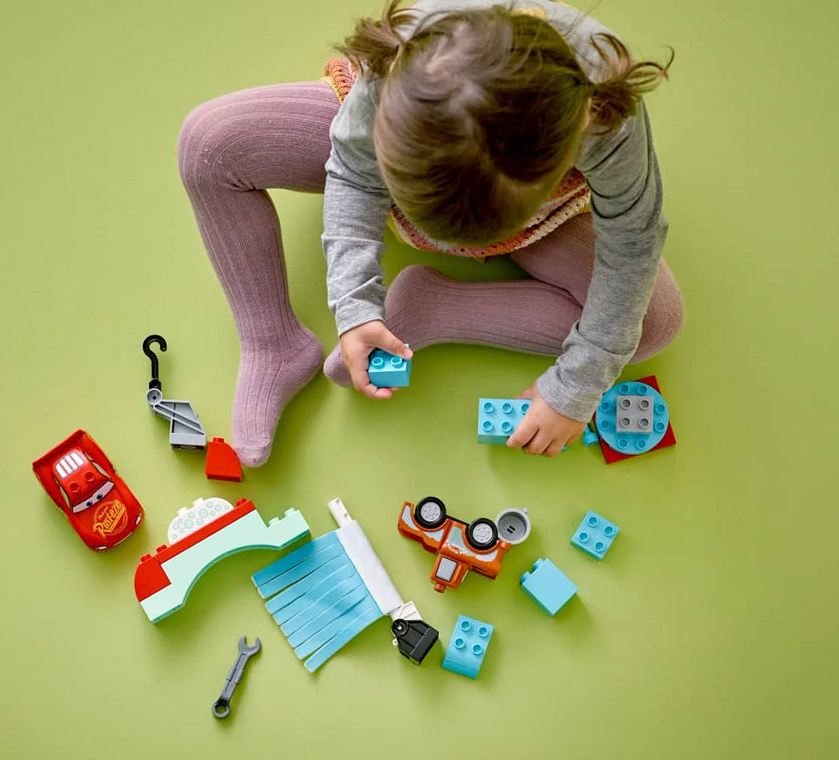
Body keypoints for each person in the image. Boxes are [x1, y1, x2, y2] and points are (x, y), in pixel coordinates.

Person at [178, 0, 682, 466]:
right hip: (398, 155)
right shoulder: (405, 56)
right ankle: (273, 341)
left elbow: (632, 245)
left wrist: (578, 386)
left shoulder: (603, 118)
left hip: (539, 217)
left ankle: (434, 307)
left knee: (653, 323)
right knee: (208, 145)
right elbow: (354, 171)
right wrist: (354, 305)